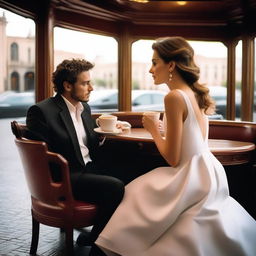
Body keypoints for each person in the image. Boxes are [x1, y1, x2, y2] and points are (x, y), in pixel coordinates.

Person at [95, 37, 256, 256]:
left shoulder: (173, 97)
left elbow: (172, 158)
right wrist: (165, 131)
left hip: (189, 174)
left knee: (134, 190)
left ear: (171, 65)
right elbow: (193, 139)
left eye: (154, 62)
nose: (150, 70)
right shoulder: (193, 94)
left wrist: (153, 129)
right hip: (209, 171)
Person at [25, 58, 125, 255]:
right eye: (85, 83)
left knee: (135, 171)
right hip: (64, 177)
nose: (92, 87)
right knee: (115, 187)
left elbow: (87, 146)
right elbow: (39, 159)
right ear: (68, 85)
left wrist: (106, 135)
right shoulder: (41, 111)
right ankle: (98, 245)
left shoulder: (84, 108)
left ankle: (107, 237)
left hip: (88, 169)